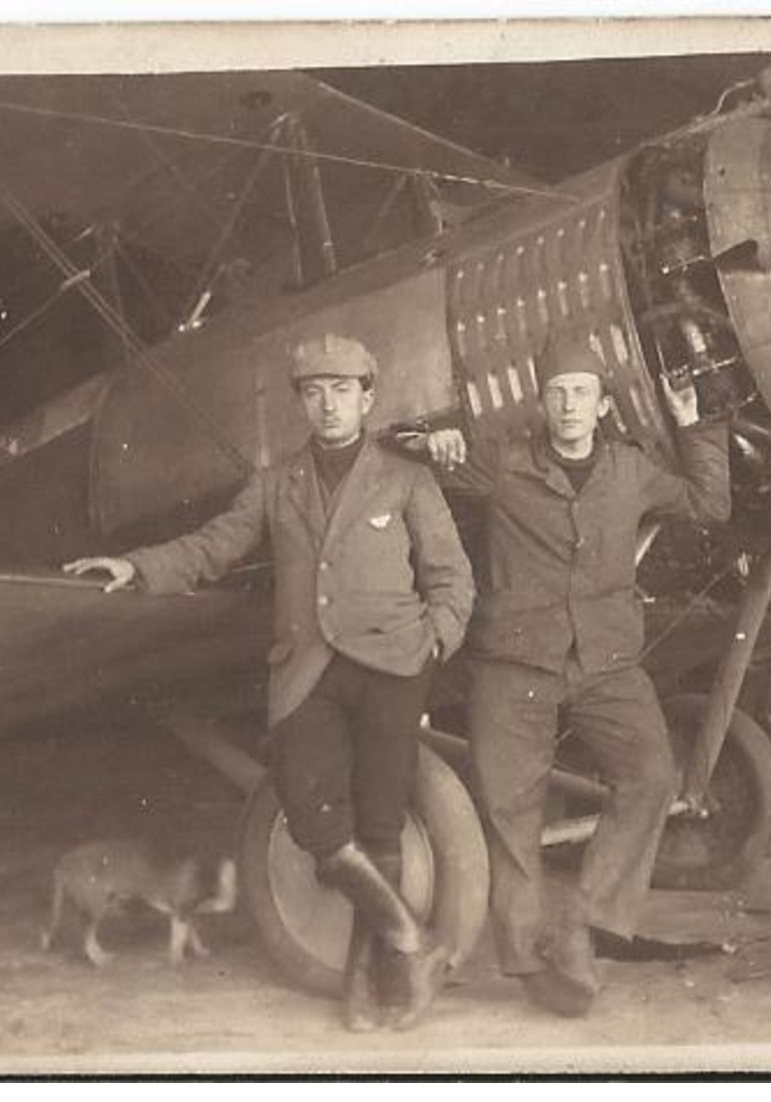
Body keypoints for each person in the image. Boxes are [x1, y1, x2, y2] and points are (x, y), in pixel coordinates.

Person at [65, 333, 474, 1032]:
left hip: (393, 667)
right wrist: (138, 566)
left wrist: (436, 637)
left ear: (367, 398)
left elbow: (451, 577)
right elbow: (213, 546)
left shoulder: (406, 476)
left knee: (378, 826)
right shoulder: (273, 482)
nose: (327, 405)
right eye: (313, 392)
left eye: (341, 390)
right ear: (300, 403)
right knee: (317, 824)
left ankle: (365, 984)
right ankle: (413, 940)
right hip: (307, 670)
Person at [414, 329, 730, 1018]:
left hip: (605, 664)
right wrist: (436, 437)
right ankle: (531, 964)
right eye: (557, 393)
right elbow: (412, 453)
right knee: (510, 812)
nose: (568, 406)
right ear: (539, 402)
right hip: (514, 663)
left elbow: (710, 504)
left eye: (581, 393)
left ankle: (584, 925)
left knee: (650, 777)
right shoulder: (501, 464)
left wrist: (691, 422)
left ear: (601, 403)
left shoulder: (629, 469)